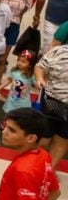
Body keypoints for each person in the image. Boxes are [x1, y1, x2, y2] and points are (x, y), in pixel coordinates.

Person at [33, 41, 68, 170]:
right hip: (52, 102)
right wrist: (39, 79)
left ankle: (48, 171)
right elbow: (40, 67)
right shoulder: (58, 51)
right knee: (44, 139)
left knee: (63, 140)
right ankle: (33, 166)